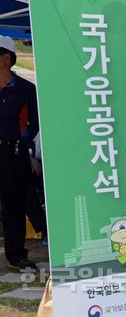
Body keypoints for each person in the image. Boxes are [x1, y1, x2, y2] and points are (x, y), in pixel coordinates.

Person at [0, 35, 39, 272]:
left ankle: (16, 256)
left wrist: (29, 152)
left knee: (14, 206)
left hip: (14, 153)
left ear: (7, 58)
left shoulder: (26, 89)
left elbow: (34, 125)